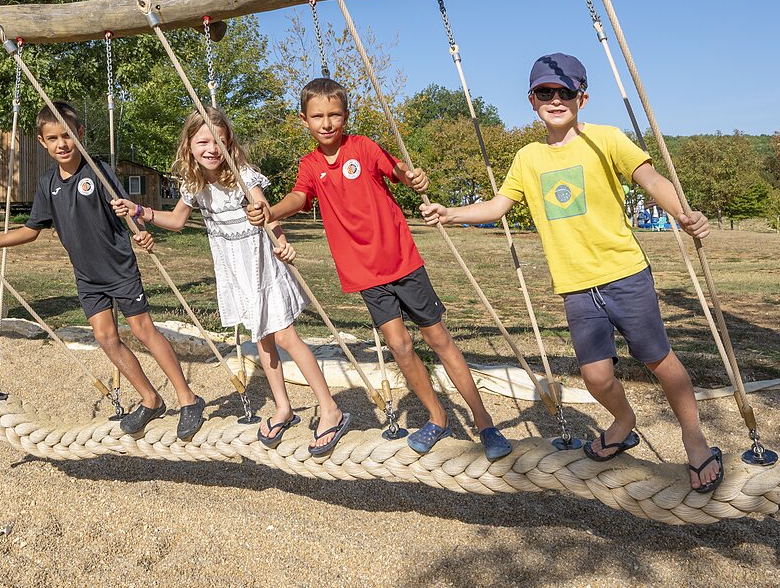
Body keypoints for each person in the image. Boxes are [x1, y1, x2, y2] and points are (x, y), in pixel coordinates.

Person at [421, 54, 723, 493]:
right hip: (576, 286)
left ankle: (695, 442)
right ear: (532, 101)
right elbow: (497, 206)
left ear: (583, 97)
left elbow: (652, 179)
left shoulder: (605, 138)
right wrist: (450, 213)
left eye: (565, 92)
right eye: (546, 92)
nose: (556, 99)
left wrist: (682, 212)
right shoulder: (528, 158)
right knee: (596, 376)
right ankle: (624, 422)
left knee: (659, 359)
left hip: (624, 272)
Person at [246, 77, 511, 460]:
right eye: (317, 116)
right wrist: (270, 211)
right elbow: (300, 196)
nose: (326, 123)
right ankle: (438, 417)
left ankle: (484, 422)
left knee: (439, 340)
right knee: (401, 348)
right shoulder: (310, 165)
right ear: (303, 120)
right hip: (367, 275)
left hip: (402, 261)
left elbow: (399, 170)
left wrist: (412, 176)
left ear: (346, 116)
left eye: (334, 115)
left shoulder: (363, 147)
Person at [110, 109, 351, 455]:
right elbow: (177, 220)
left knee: (285, 336)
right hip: (235, 272)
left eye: (218, 142)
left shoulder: (243, 175)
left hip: (261, 267)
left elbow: (264, 210)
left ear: (229, 143)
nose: (211, 149)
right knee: (263, 340)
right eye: (203, 142)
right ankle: (283, 408)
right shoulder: (195, 186)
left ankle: (330, 408)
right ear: (190, 145)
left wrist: (280, 239)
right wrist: (140, 212)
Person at [0, 101, 204, 440]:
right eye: (53, 138)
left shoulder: (98, 172)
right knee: (106, 338)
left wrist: (141, 232)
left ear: (80, 135)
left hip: (118, 267)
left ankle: (189, 399)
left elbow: (126, 209)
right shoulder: (48, 184)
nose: (62, 144)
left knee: (144, 330)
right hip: (87, 275)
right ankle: (151, 400)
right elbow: (31, 230)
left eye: (68, 135)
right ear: (42, 142)